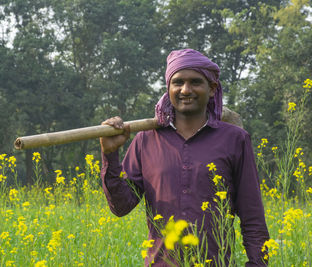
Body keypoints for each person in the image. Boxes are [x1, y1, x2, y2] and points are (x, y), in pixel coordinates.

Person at [99, 49, 269, 266]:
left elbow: (252, 215)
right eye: (177, 82)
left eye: (196, 82)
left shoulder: (235, 140)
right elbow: (121, 207)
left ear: (212, 89)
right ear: (168, 88)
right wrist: (110, 154)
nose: (185, 90)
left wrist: (257, 263)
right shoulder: (145, 141)